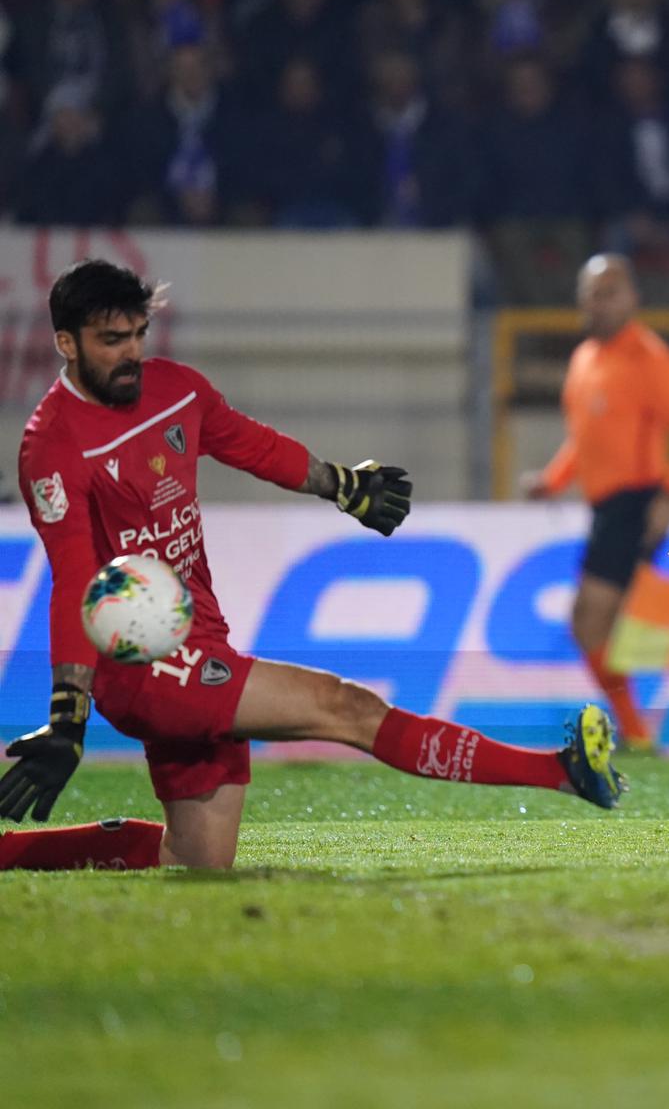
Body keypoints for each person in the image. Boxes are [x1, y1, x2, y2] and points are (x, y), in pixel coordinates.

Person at [0, 262, 623, 872]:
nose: (131, 353)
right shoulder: (52, 446)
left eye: (138, 334)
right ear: (66, 344)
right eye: (113, 341)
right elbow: (76, 581)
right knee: (345, 708)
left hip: (199, 634)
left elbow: (251, 444)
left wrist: (340, 484)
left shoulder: (175, 389)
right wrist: (67, 718)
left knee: (196, 859)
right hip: (139, 664)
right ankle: (562, 772)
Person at [523, 255, 669, 747]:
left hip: (636, 501)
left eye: (609, 292)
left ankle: (636, 730)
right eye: (591, 293)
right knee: (619, 623)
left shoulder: (648, 358)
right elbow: (584, 439)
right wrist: (553, 480)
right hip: (606, 507)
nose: (597, 303)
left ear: (632, 298)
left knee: (589, 622)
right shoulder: (585, 358)